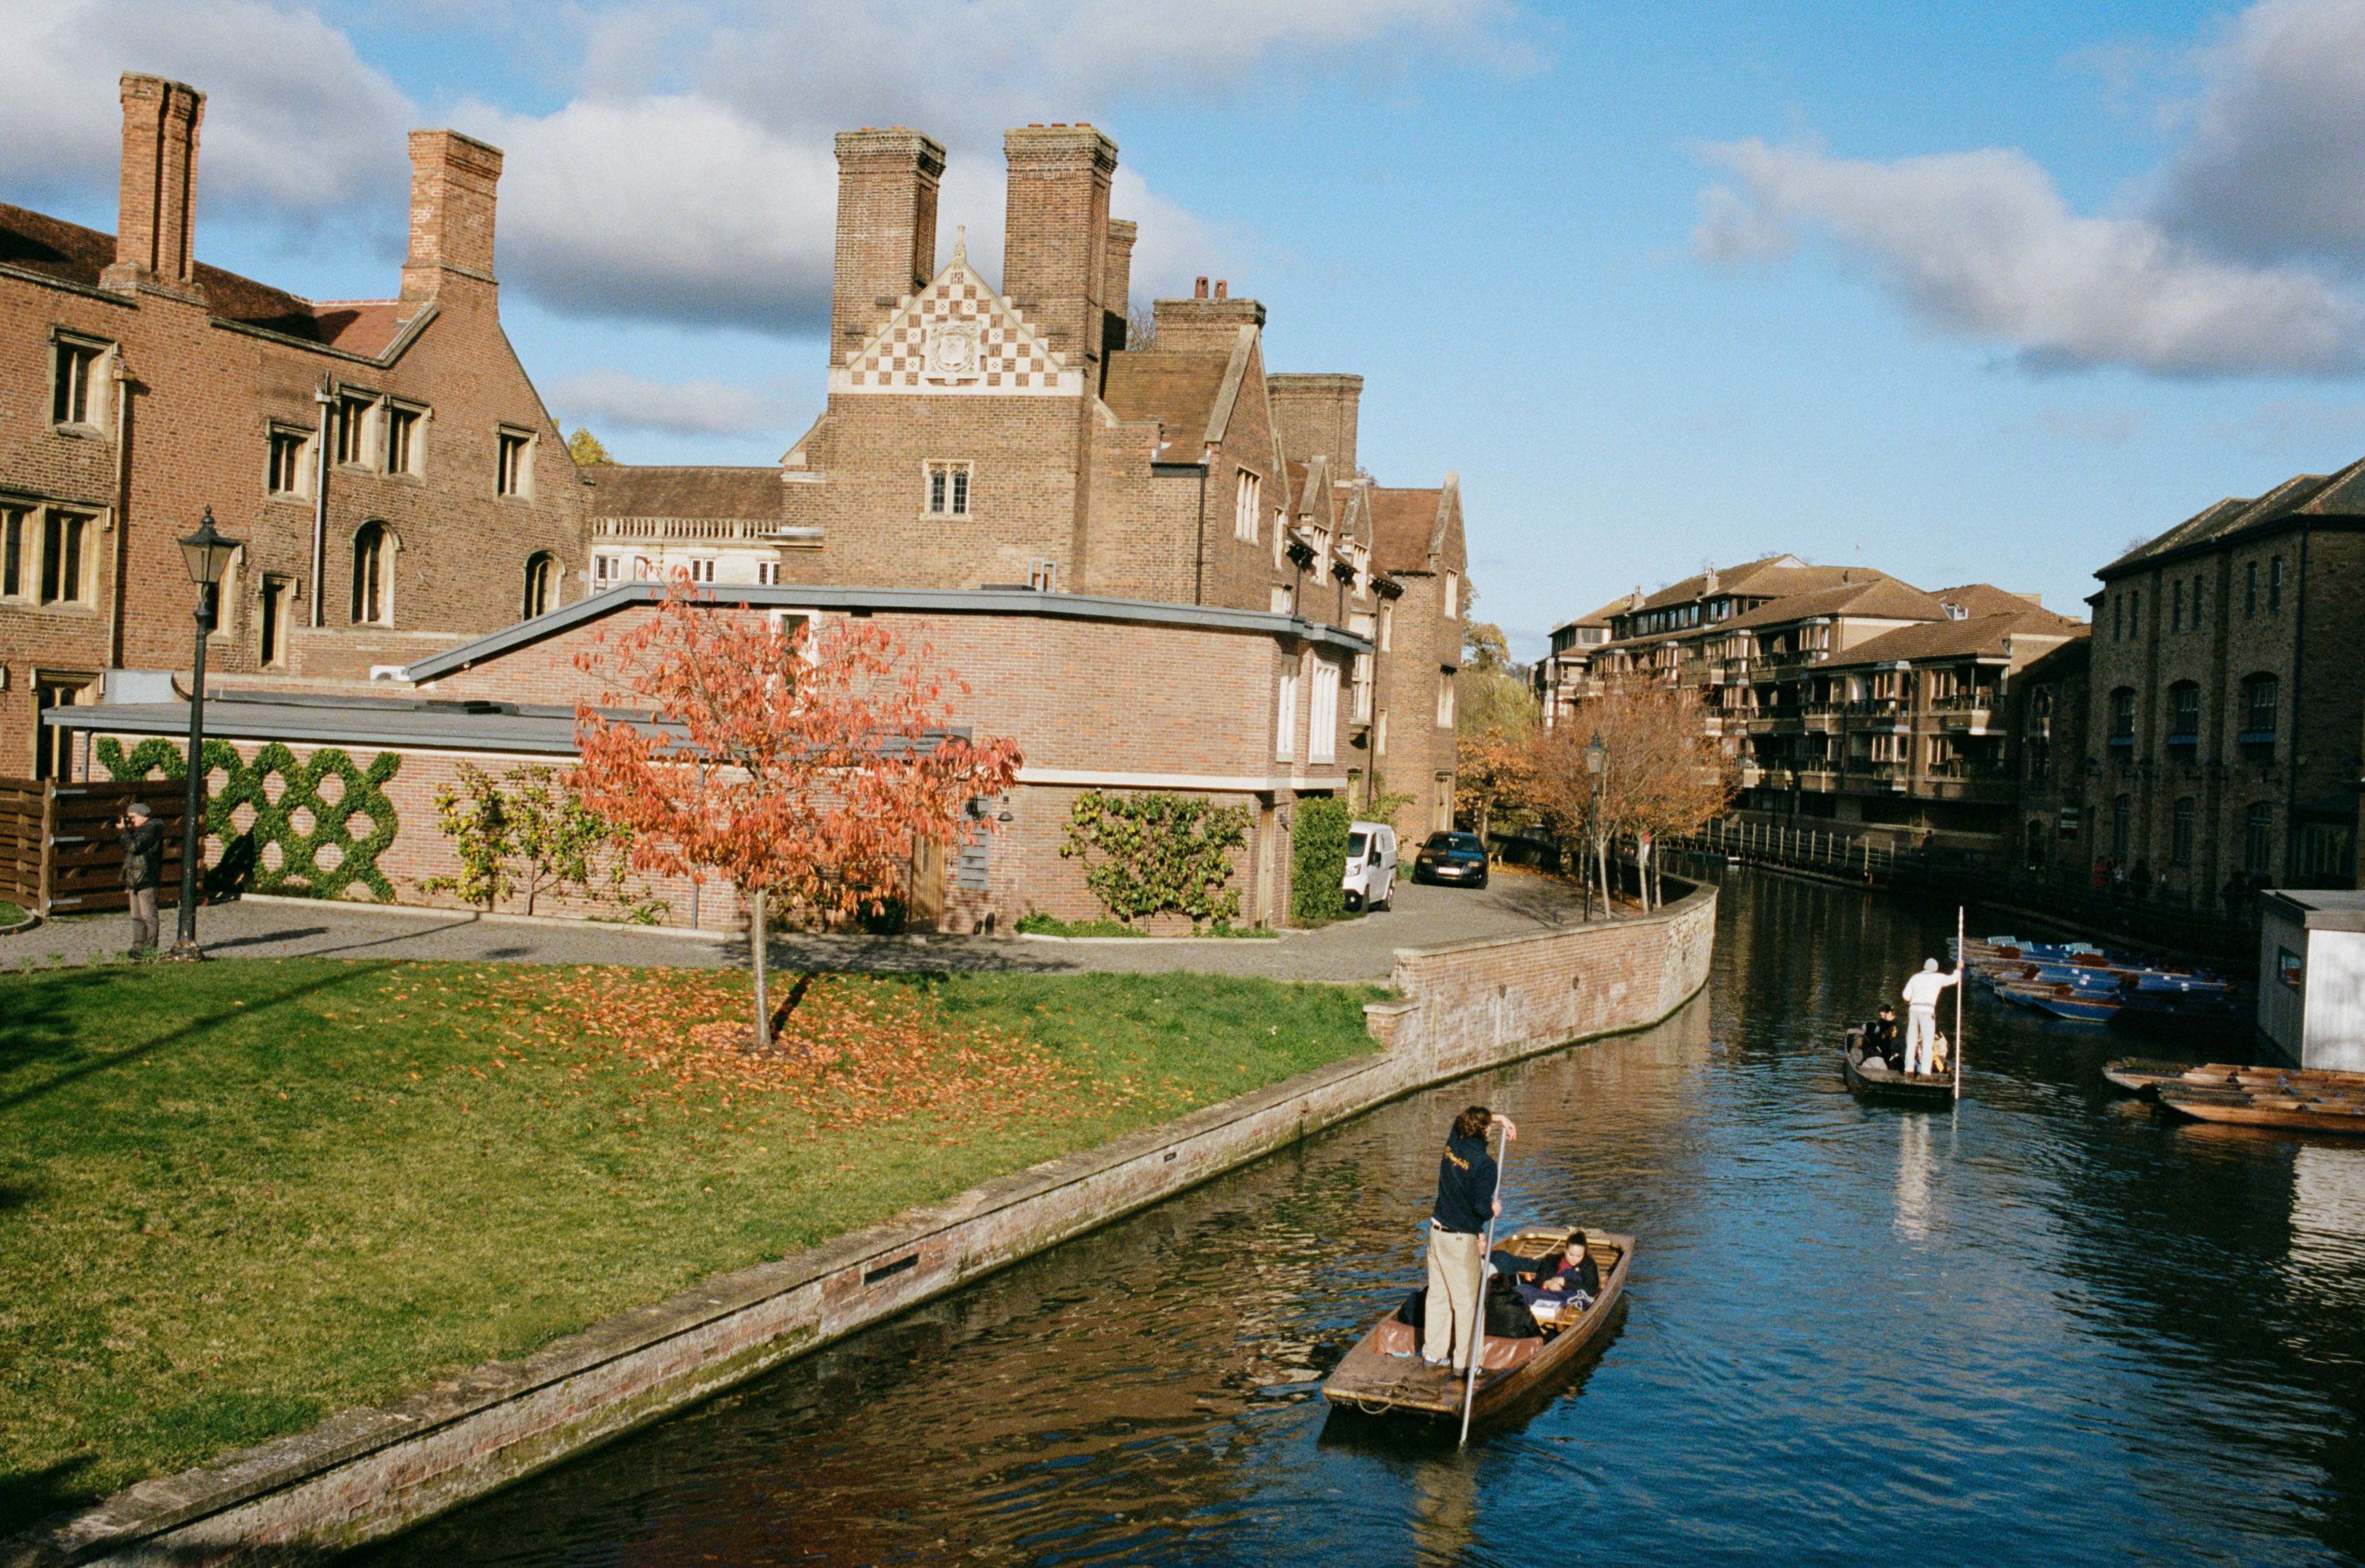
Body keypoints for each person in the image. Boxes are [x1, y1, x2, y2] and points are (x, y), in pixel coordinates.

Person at [1424, 1104, 1516, 1372]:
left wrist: (1500, 1118)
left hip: (1436, 1231)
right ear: (1486, 1131)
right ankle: (1465, 1365)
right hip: (1460, 1240)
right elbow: (1480, 1208)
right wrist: (1493, 1209)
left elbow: (1459, 1116)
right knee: (1469, 1304)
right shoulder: (1486, 1166)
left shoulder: (1454, 1141)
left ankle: (1433, 1354)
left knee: (1438, 1296)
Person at [116, 801, 162, 955]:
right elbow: (126, 846)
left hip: (146, 878)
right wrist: (124, 831)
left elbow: (134, 847)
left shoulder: (151, 829)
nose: (131, 820)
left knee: (148, 916)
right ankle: (138, 947)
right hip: (135, 878)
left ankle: (149, 948)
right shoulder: (140, 830)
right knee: (136, 916)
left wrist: (124, 831)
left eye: (133, 817)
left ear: (143, 816)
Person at [1900, 958, 1961, 1076]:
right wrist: (1958, 969)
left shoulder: (1915, 977)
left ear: (1925, 967)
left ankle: (1909, 1070)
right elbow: (1953, 979)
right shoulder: (1938, 977)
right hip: (1927, 1011)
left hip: (1914, 1009)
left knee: (1911, 1041)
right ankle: (1925, 1072)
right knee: (1927, 1043)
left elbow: (1906, 996)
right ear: (1936, 968)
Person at [1863, 1005, 1903, 1070]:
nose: (1883, 1018)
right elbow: (1878, 1037)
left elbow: (1901, 1040)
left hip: (1894, 1050)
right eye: (1881, 1016)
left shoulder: (1898, 1024)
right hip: (1883, 1050)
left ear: (1890, 1013)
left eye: (1884, 1016)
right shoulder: (1881, 1022)